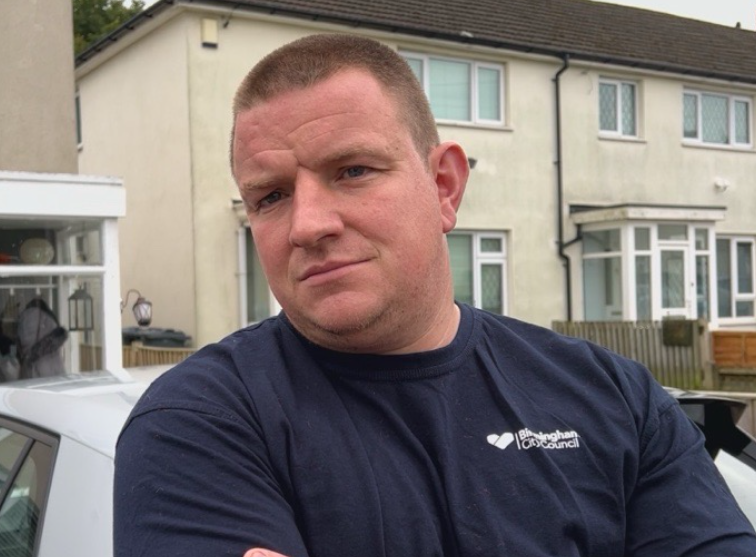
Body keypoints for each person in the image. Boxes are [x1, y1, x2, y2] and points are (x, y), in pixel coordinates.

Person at [113, 34, 756, 557]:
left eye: (353, 171)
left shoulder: (615, 397)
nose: (308, 225)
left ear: (444, 185)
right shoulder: (199, 423)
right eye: (271, 196)